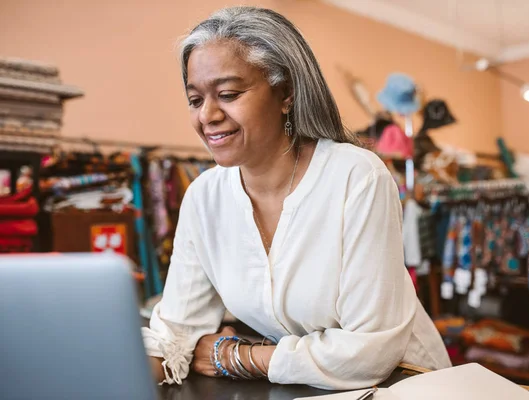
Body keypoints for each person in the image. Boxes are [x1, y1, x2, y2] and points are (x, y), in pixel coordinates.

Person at [142, 6, 450, 390]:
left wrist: (237, 356)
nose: (208, 115)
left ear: (285, 92)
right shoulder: (204, 197)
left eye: (228, 94)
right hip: (305, 388)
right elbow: (175, 332)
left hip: (405, 383)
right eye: (194, 100)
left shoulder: (357, 176)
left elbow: (369, 351)